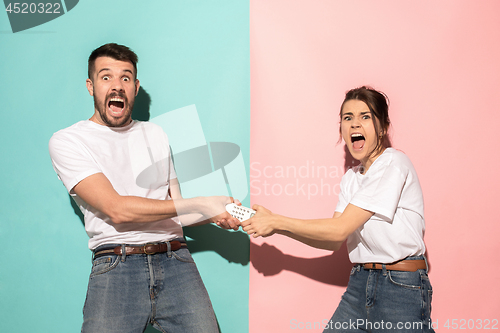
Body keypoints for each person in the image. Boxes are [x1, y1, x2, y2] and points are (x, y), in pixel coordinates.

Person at [49, 43, 240, 333]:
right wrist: (203, 203)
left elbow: (178, 210)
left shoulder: (156, 133)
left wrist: (216, 213)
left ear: (136, 87)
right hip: (116, 265)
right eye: (106, 77)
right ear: (90, 86)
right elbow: (117, 210)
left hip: (176, 261)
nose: (117, 86)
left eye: (125, 78)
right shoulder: (68, 141)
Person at [242, 86, 434, 332]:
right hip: (360, 284)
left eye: (365, 116)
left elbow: (338, 229)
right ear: (341, 128)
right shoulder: (351, 178)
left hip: (400, 286)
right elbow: (332, 241)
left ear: (383, 127)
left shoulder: (393, 163)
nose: (355, 124)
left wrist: (276, 221)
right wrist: (275, 227)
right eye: (348, 117)